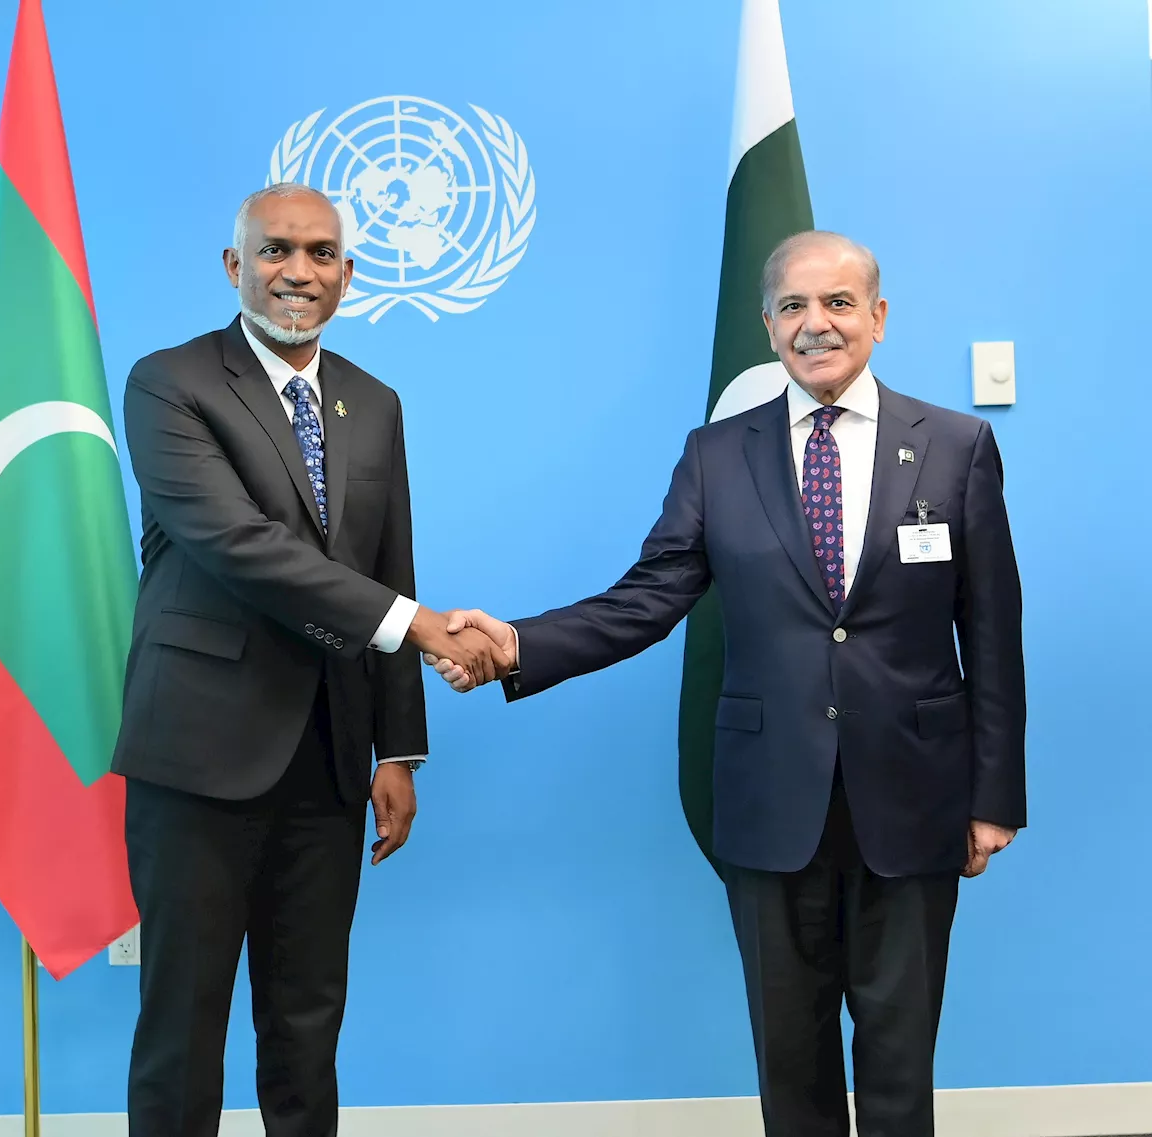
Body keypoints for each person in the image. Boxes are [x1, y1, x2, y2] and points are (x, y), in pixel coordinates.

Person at [427, 231, 1026, 1137]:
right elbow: (648, 599)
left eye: (837, 303)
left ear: (879, 316)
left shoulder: (954, 444)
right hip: (770, 799)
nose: (815, 324)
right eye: (793, 306)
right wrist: (515, 644)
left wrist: (995, 797)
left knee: (902, 1060)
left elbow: (991, 634)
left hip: (916, 796)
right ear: (768, 324)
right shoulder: (716, 454)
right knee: (790, 1062)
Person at [112, 182, 507, 1137]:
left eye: (322, 254)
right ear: (234, 264)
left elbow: (389, 561)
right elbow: (242, 546)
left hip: (329, 760)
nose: (300, 272)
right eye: (278, 250)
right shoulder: (170, 383)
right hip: (199, 759)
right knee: (183, 1026)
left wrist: (398, 749)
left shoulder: (372, 400)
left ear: (349, 272)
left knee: (306, 1026)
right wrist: (421, 627)